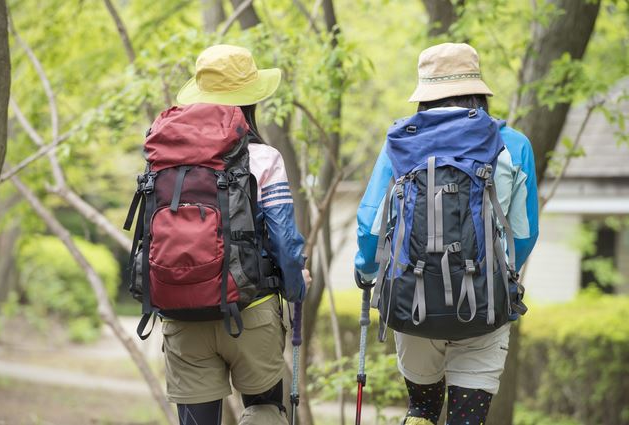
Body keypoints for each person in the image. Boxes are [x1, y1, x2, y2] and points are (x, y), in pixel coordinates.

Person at [354, 43, 539, 425]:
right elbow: (523, 234)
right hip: (484, 307)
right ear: (478, 89)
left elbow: (371, 224)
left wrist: (366, 273)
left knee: (421, 410)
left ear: (425, 94)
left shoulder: (400, 143)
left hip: (413, 302)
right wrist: (501, 274)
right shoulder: (514, 144)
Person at [163, 44, 310, 425]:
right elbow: (284, 240)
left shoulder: (164, 157)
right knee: (264, 413)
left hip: (182, 314)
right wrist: (296, 287)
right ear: (249, 101)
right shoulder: (262, 157)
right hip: (252, 311)